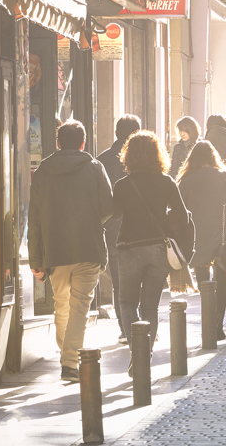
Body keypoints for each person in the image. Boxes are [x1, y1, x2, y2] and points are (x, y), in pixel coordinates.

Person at [26, 120, 115, 382]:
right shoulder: (95, 168)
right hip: (88, 248)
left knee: (62, 305)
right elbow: (108, 207)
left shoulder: (43, 171)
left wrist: (35, 258)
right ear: (83, 143)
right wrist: (90, 220)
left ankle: (67, 358)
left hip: (56, 250)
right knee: (78, 308)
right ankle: (69, 361)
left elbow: (35, 217)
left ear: (57, 143)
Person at [113, 131, 192, 344]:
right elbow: (183, 217)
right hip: (159, 248)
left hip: (129, 248)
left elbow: (115, 214)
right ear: (158, 154)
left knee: (127, 301)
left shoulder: (122, 185)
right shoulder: (166, 182)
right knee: (149, 306)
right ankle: (145, 354)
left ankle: (136, 350)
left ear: (129, 156)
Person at [180, 142, 226, 346]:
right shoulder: (225, 177)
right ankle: (217, 326)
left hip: (197, 241)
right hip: (224, 239)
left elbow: (178, 212)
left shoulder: (187, 180)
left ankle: (208, 324)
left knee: (205, 286)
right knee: (221, 281)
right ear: (213, 157)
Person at [97, 115, 141, 325]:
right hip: (140, 227)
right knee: (139, 277)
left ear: (116, 133)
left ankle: (125, 326)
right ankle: (140, 325)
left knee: (118, 280)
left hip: (112, 226)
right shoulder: (148, 158)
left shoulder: (102, 159)